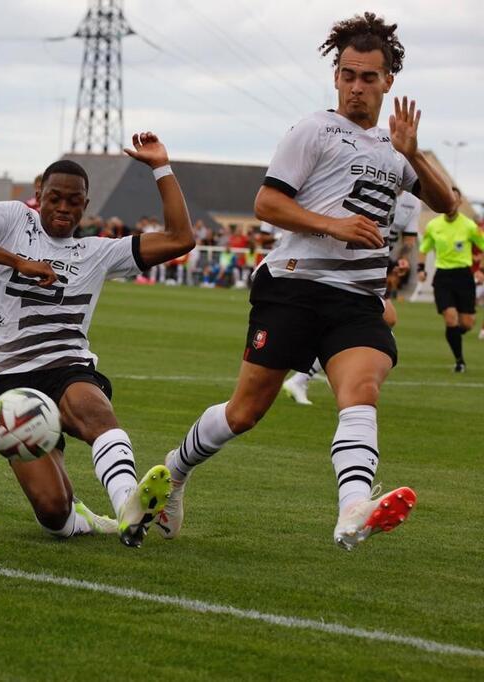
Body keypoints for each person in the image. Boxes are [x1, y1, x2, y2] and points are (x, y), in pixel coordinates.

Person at [157, 13, 456, 552]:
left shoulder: (396, 149)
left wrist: (414, 154)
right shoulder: (313, 130)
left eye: (368, 77)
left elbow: (449, 204)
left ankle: (352, 511)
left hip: (358, 301)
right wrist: (332, 224)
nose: (356, 87)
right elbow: (266, 203)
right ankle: (175, 472)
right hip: (294, 288)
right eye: (348, 75)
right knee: (245, 412)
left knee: (361, 392)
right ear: (336, 77)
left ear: (389, 82)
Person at [0, 132, 195, 548]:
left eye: (74, 201)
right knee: (54, 513)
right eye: (55, 197)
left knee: (94, 411)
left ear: (86, 206)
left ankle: (129, 504)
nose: (63, 208)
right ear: (40, 194)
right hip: (12, 384)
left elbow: (181, 238)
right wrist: (17, 260)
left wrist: (160, 167)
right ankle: (81, 518)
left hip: (67, 367)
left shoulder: (98, 251)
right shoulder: (13, 219)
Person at [281, 190, 421, 404]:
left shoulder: (412, 201)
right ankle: (321, 372)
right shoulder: (373, 183)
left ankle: (311, 375)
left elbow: (408, 240)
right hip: (350, 263)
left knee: (376, 320)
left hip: (378, 266)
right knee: (380, 319)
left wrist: (402, 260)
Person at [417, 187, 484, 372]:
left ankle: (453, 334)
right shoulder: (433, 225)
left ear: (459, 203)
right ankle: (459, 361)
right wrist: (421, 269)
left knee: (467, 323)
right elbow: (424, 249)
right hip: (443, 276)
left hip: (464, 276)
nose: (450, 203)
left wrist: (482, 270)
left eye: (454, 199)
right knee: (450, 318)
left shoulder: (470, 226)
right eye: (448, 198)